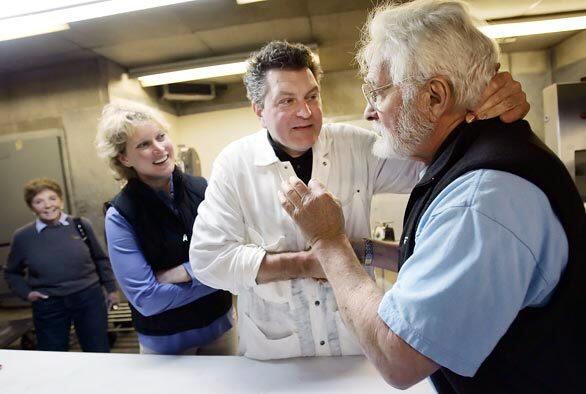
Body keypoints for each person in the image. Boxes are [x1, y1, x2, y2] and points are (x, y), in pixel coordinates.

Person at [279, 0, 584, 392]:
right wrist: (368, 252)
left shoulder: (479, 201)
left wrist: (328, 241)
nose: (368, 111)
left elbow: (398, 356)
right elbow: (450, 260)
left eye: (377, 91)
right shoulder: (475, 155)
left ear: (435, 97)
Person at [188, 40, 530, 360]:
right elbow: (208, 261)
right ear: (258, 110)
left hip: (356, 349)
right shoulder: (235, 164)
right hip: (277, 356)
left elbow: (435, 165)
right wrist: (305, 263)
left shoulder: (355, 146)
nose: (306, 112)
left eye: (312, 96)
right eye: (287, 101)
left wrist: (486, 116)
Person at [95, 100, 234, 355]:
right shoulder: (121, 215)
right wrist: (219, 275)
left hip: (221, 329)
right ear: (124, 157)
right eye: (144, 144)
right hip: (166, 346)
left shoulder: (201, 188)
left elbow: (235, 252)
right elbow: (147, 299)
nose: (159, 149)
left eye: (160, 137)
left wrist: (187, 271)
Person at [4, 178, 118, 352]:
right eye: (39, 201)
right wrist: (27, 293)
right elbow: (12, 272)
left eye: (52, 198)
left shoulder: (80, 225)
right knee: (52, 353)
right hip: (49, 303)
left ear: (61, 201)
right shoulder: (23, 237)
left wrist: (111, 289)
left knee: (97, 350)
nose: (47, 205)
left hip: (89, 298)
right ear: (31, 207)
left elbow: (100, 259)